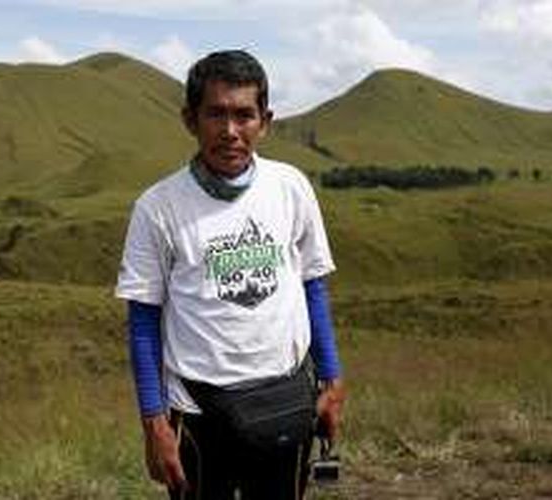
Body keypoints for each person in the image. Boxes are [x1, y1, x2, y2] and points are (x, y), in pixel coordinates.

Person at [115, 49, 345, 499]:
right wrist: (154, 424)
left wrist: (333, 380)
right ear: (190, 119)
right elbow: (142, 322)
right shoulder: (157, 208)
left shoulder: (291, 188)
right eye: (215, 114)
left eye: (244, 115)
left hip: (287, 403)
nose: (230, 131)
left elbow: (312, 285)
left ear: (266, 120)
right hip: (200, 415)